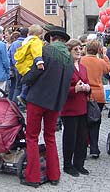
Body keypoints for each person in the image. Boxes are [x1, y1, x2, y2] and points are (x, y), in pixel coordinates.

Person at [20, 26, 73, 188]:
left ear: (51, 38)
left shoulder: (46, 50)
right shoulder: (70, 59)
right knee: (50, 137)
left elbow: (35, 72)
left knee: (32, 137)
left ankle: (33, 177)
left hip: (38, 99)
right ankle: (54, 175)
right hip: (56, 103)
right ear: (64, 41)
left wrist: (24, 80)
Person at [61, 39, 90, 177]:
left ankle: (80, 164)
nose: (79, 51)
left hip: (82, 106)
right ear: (70, 51)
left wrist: (87, 87)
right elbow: (61, 89)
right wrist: (75, 89)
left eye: (80, 49)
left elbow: (87, 83)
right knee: (70, 138)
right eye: (75, 49)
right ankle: (68, 165)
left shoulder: (83, 68)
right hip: (70, 108)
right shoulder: (65, 67)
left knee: (82, 138)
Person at [80, 39, 110, 158]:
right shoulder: (100, 62)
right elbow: (108, 68)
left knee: (84, 122)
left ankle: (83, 147)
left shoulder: (81, 61)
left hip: (85, 94)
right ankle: (94, 148)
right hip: (98, 95)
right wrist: (104, 55)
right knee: (96, 122)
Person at [14, 24, 44, 106]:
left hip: (21, 66)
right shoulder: (36, 41)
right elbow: (36, 52)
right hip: (29, 65)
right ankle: (23, 96)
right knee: (28, 82)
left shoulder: (26, 41)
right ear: (39, 34)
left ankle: (17, 101)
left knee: (22, 83)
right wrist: (39, 62)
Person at [8, 28, 28, 104]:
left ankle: (14, 103)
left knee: (16, 86)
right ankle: (23, 103)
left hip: (16, 67)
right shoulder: (28, 43)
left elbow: (9, 55)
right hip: (26, 67)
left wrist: (12, 66)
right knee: (25, 86)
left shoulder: (14, 44)